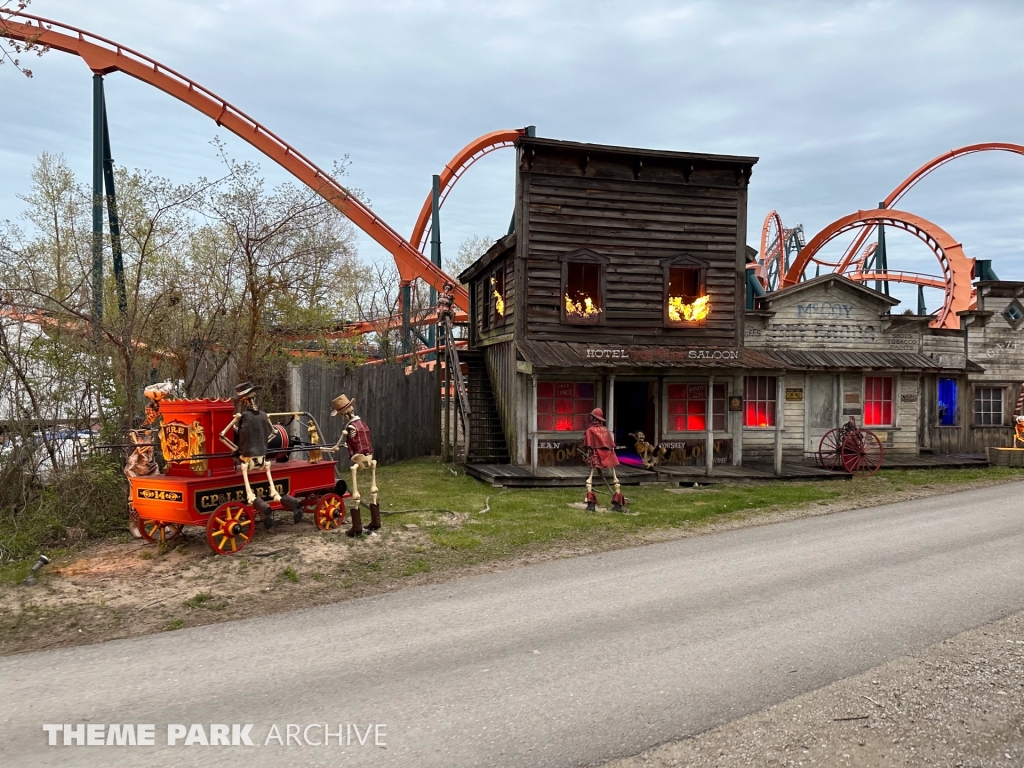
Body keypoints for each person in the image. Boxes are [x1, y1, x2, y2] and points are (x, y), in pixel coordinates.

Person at [324, 394, 380, 536]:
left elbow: (341, 442)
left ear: (344, 414)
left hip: (359, 458)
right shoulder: (363, 423)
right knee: (373, 488)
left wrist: (335, 447)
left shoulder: (349, 427)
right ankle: (376, 520)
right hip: (370, 456)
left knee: (354, 482)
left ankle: (356, 526)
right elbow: (360, 439)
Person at [583, 408, 626, 512]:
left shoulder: (590, 430)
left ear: (593, 417)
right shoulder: (605, 430)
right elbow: (611, 444)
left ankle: (591, 505)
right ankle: (618, 504)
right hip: (610, 454)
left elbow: (588, 444)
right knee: (615, 478)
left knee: (590, 480)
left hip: (597, 455)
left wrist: (589, 453)